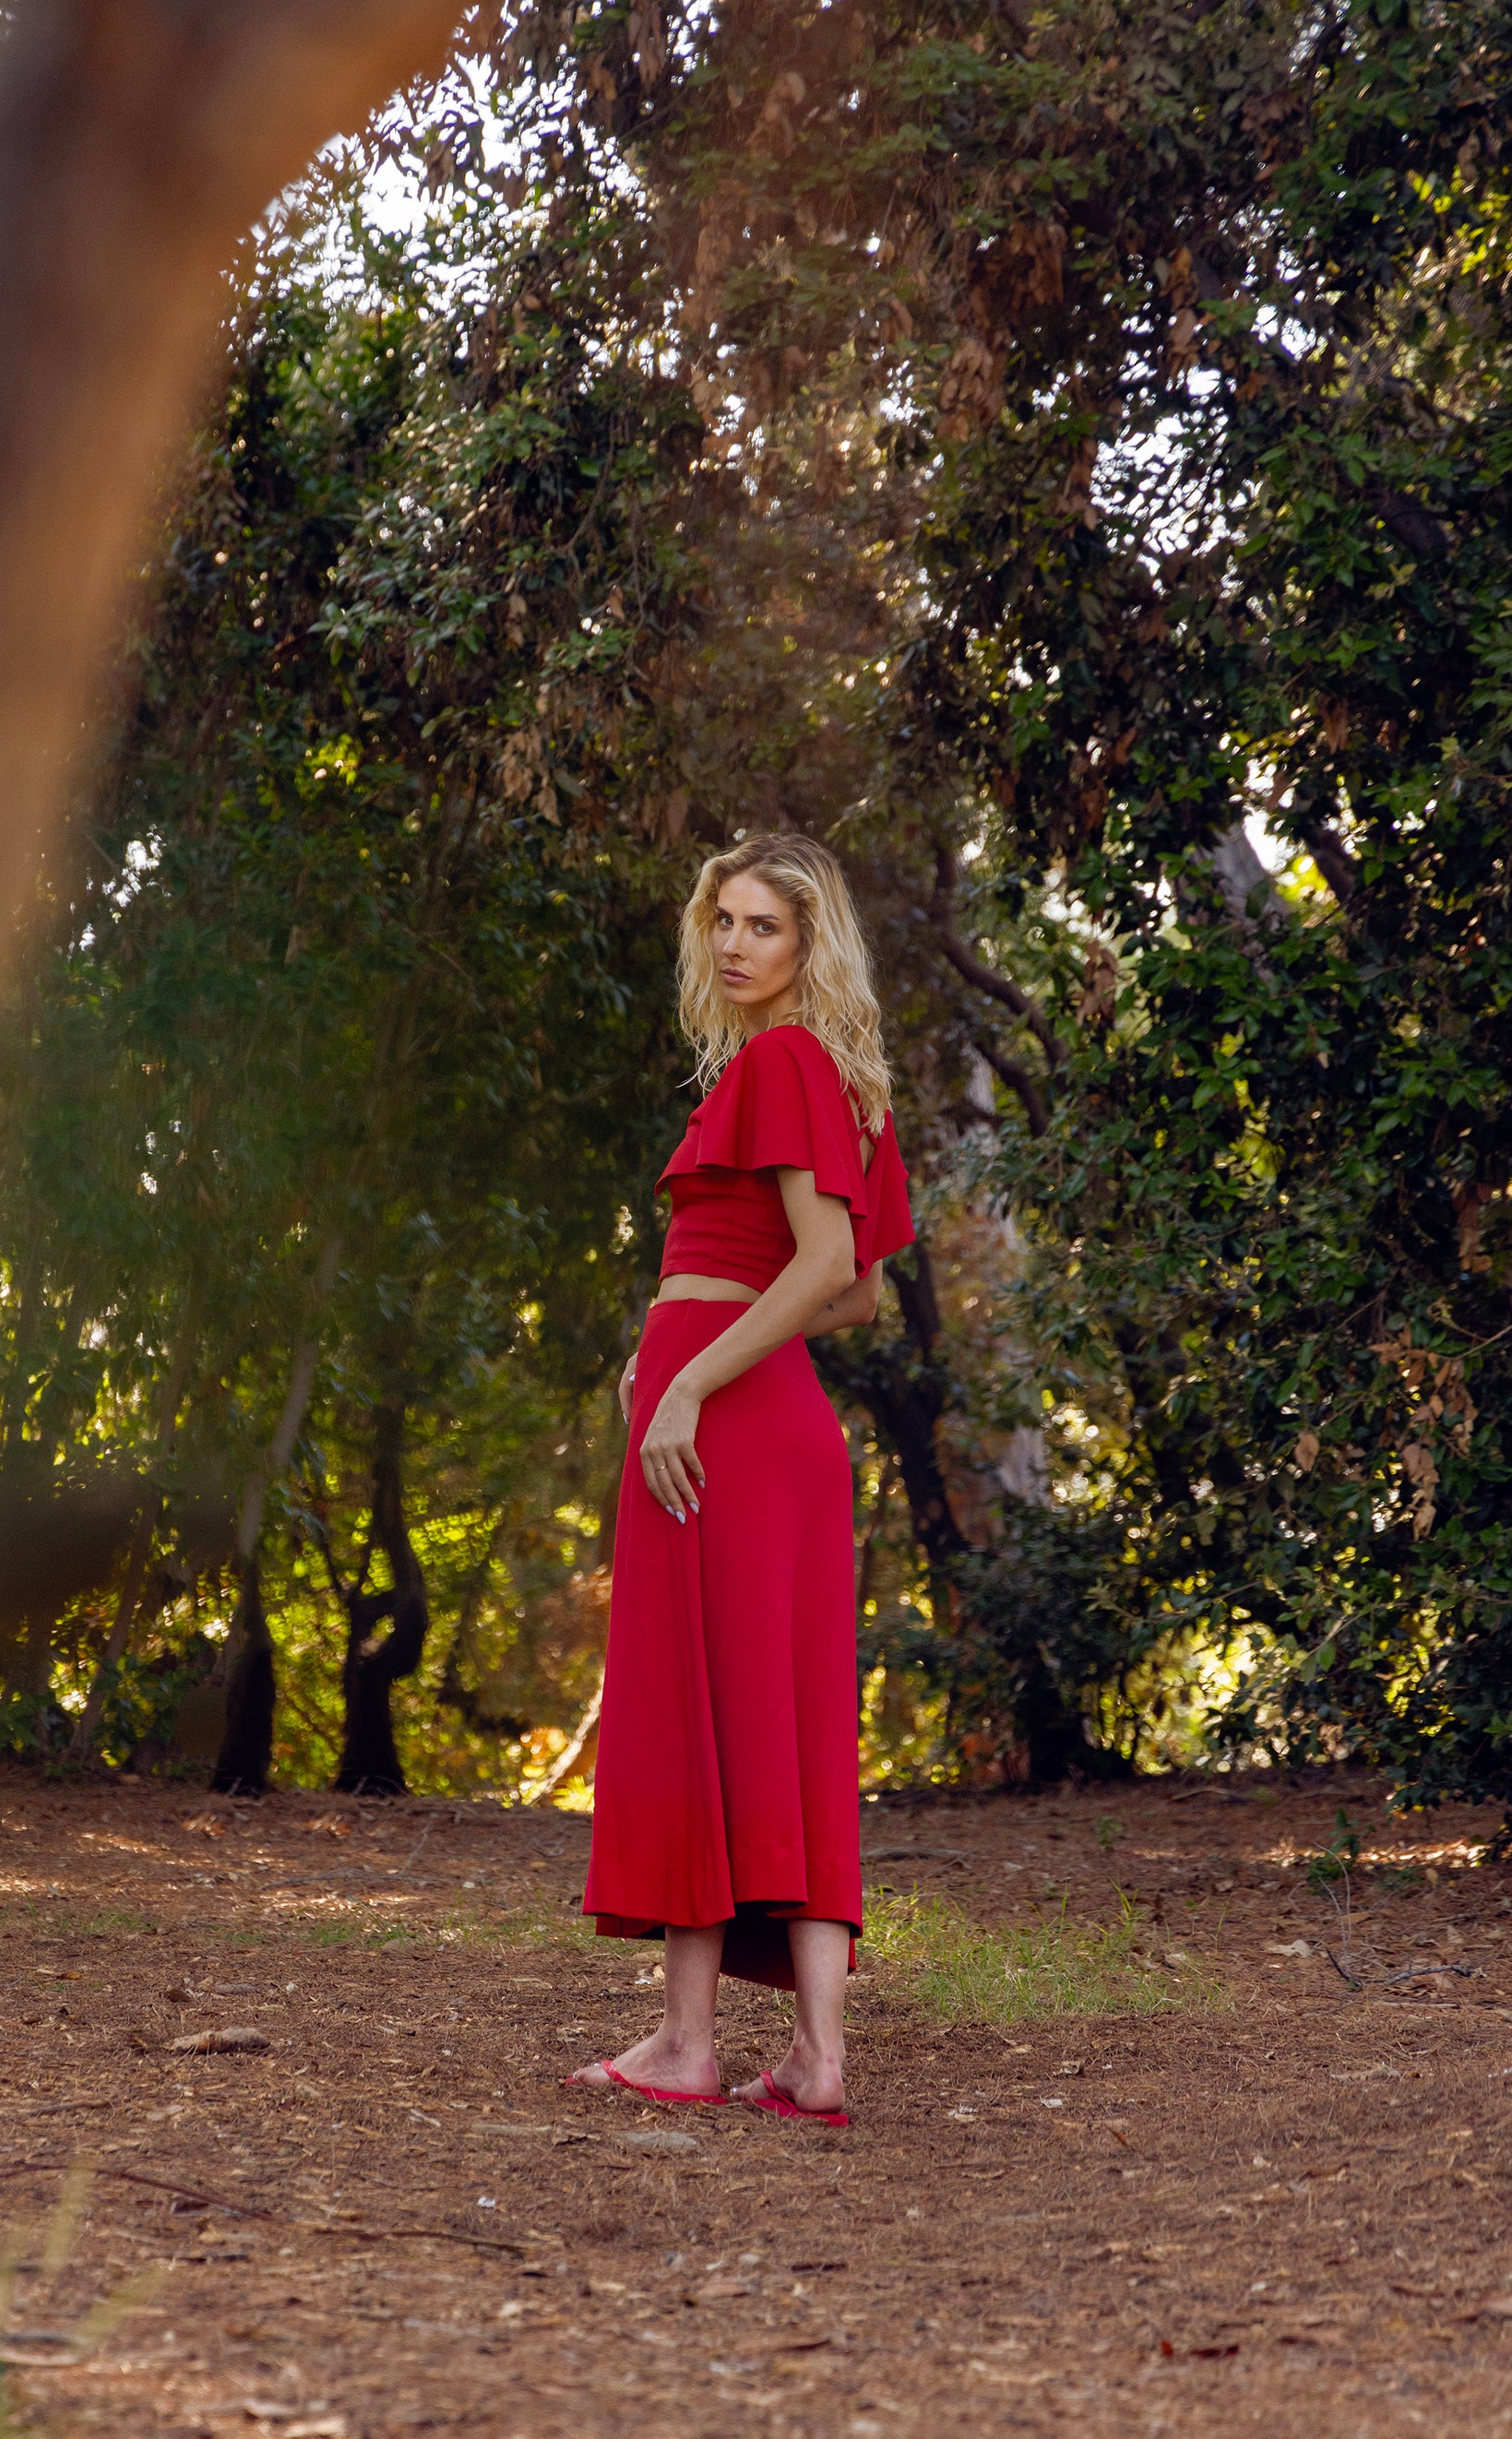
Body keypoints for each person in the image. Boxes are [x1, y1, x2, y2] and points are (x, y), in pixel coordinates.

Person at [569, 831, 914, 2125]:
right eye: (721, 920)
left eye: (761, 924)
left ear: (808, 943)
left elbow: (830, 1265)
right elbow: (864, 1291)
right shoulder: (845, 1079)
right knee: (786, 1724)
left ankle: (687, 2044)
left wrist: (691, 1377)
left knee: (691, 1715)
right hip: (779, 1432)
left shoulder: (779, 1063)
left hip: (723, 1431)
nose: (730, 945)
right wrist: (686, 1358)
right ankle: (815, 2061)